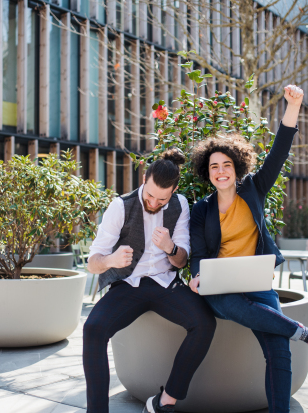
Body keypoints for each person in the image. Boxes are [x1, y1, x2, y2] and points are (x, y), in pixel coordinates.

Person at [189, 85, 308, 413]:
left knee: (278, 349)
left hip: (258, 283)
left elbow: (280, 149)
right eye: (214, 166)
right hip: (221, 289)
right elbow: (197, 254)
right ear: (207, 172)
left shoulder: (254, 188)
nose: (221, 171)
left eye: (226, 164)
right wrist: (197, 276)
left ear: (236, 166)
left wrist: (294, 105)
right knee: (229, 302)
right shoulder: (201, 209)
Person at [83, 149, 216, 413]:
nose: (154, 202)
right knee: (93, 330)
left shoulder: (180, 205)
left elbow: (181, 260)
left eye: (162, 199)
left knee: (204, 323)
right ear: (144, 180)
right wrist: (111, 261)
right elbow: (92, 262)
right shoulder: (120, 206)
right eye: (150, 195)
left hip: (166, 285)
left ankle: (166, 399)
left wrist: (170, 248)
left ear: (174, 190)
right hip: (129, 285)